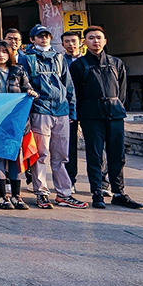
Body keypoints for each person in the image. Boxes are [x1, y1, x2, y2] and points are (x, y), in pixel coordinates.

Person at [70, 26, 143, 210]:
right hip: (91, 116)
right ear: (84, 42)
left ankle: (119, 193)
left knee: (118, 155)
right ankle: (97, 192)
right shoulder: (78, 65)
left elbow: (122, 90)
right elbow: (75, 93)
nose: (95, 41)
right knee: (94, 155)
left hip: (115, 114)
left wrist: (117, 106)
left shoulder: (116, 63)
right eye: (91, 38)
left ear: (105, 41)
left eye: (99, 38)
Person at [19, 24, 85, 209]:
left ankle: (64, 193)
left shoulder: (59, 58)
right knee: (41, 154)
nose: (44, 39)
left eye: (47, 36)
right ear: (32, 40)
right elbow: (24, 84)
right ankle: (41, 193)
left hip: (61, 111)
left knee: (61, 156)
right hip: (40, 110)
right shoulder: (27, 59)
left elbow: (68, 86)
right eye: (40, 36)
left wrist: (71, 111)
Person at [0, 40, 36, 210]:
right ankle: (2, 196)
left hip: (15, 121)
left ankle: (16, 196)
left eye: (4, 52)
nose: (1, 55)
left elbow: (26, 88)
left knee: (14, 157)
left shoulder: (18, 70)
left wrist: (29, 92)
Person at [61, 30, 83, 191]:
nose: (70, 44)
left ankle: (103, 182)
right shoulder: (60, 61)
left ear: (80, 42)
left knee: (96, 146)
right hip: (69, 107)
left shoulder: (87, 61)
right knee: (70, 146)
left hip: (88, 106)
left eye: (73, 41)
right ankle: (70, 180)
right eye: (67, 41)